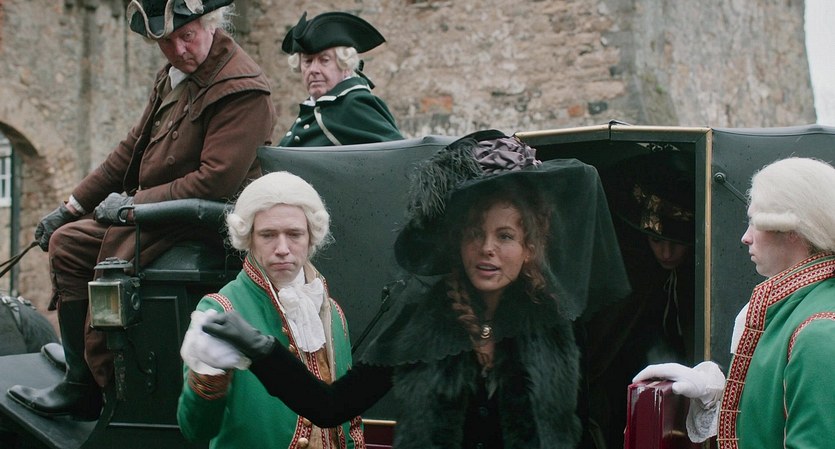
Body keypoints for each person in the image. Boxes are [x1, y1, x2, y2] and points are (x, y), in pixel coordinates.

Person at [188, 132, 630, 449]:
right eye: (474, 233)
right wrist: (262, 349)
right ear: (455, 242)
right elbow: (330, 407)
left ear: (530, 247)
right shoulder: (422, 317)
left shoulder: (555, 319)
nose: (487, 249)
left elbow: (580, 426)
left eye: (506, 236)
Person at [7, 0, 277, 421]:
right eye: (167, 42)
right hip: (162, 214)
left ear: (210, 24)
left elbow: (215, 182)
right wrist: (71, 206)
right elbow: (130, 151)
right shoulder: (174, 77)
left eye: (186, 36)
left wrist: (134, 205)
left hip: (205, 223)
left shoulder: (241, 88)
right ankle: (81, 383)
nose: (178, 50)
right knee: (68, 242)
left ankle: (114, 383)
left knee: (111, 263)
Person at [633, 157, 835, 449]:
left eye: (755, 222)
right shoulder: (794, 309)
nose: (745, 237)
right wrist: (717, 392)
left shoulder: (818, 331)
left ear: (793, 231)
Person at [176, 171, 363, 448]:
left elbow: (351, 421)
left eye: (294, 234)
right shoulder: (221, 309)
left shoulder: (332, 312)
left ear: (311, 237)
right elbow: (195, 430)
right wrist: (208, 377)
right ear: (249, 238)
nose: (282, 248)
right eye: (268, 235)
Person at [579, 149, 696, 449]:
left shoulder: (695, 277)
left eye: (677, 243)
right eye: (657, 240)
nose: (666, 253)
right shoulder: (632, 274)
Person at [278, 11, 403, 147]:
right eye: (308, 61)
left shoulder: (353, 103)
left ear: (345, 65)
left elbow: (398, 152)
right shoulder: (316, 107)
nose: (313, 70)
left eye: (324, 60)